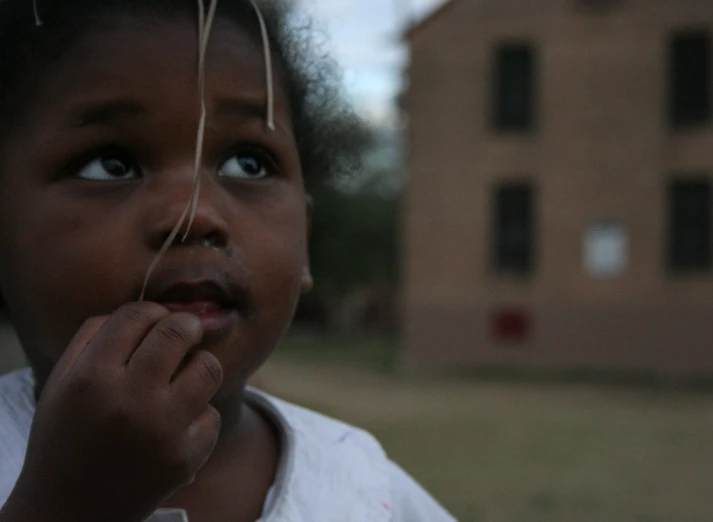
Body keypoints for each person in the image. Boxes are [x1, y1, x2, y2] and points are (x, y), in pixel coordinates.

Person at [0, 0, 456, 520]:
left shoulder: (366, 489)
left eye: (247, 162)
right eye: (111, 164)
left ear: (304, 236)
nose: (193, 215)